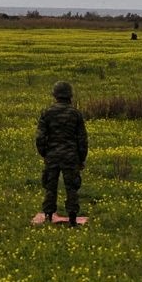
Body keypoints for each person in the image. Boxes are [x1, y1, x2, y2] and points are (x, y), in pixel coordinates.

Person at [36, 81, 88, 227]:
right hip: (71, 157)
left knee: (50, 187)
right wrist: (81, 158)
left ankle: (48, 215)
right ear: (69, 95)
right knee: (72, 188)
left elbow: (40, 137)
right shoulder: (75, 114)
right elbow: (82, 139)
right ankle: (72, 219)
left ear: (55, 95)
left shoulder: (47, 113)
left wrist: (44, 153)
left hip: (52, 156)